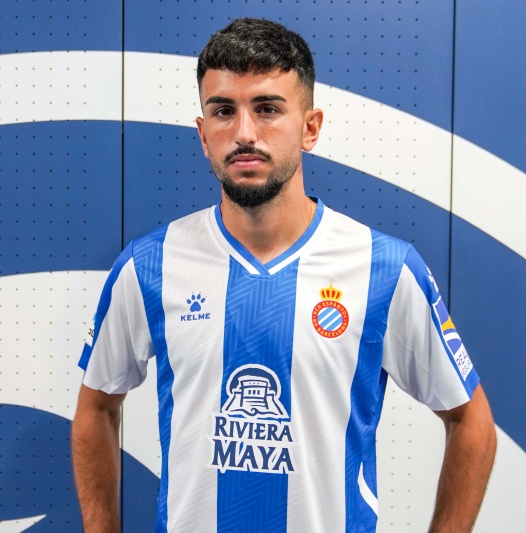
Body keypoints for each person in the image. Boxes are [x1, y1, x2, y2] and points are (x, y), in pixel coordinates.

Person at [72, 17, 496, 533]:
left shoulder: (383, 267)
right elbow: (96, 408)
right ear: (203, 135)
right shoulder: (149, 265)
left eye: (268, 109)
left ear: (310, 128)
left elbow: (471, 420)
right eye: (223, 111)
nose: (244, 133)